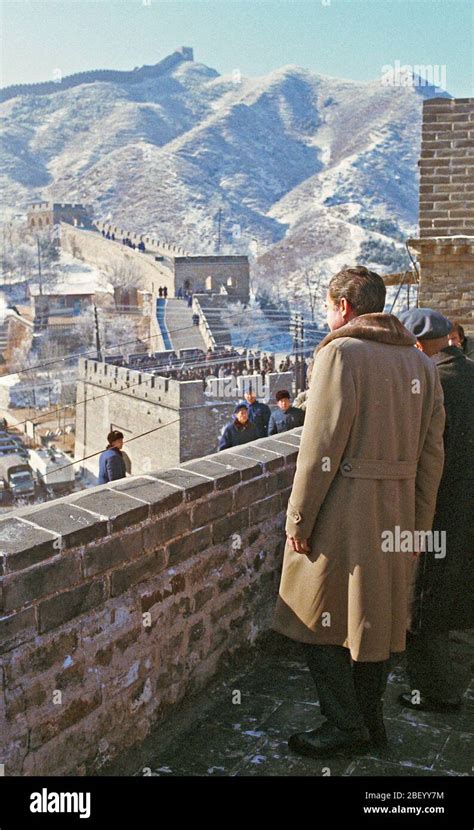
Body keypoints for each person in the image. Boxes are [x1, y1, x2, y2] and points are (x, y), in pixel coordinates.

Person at [271, 266, 445, 758]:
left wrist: (298, 520)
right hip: (397, 514)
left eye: (329, 308)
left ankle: (344, 724)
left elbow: (320, 447)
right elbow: (433, 456)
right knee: (378, 623)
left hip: (344, 512)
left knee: (313, 617)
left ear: (344, 307)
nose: (328, 318)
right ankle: (370, 722)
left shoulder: (341, 354)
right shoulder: (422, 365)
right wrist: (419, 529)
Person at [398, 308, 474, 712]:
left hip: (440, 507)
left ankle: (435, 690)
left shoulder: (433, 383)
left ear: (417, 345)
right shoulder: (470, 373)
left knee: (423, 596)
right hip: (467, 506)